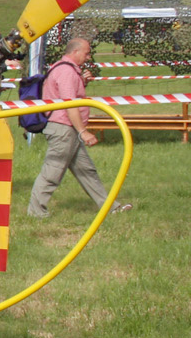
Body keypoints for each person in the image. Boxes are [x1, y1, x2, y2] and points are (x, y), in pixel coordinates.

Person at [28, 38, 130, 218]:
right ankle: (36, 213)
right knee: (53, 171)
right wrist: (83, 131)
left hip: (68, 129)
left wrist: (82, 81)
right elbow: (70, 105)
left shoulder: (67, 70)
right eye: (86, 53)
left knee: (87, 172)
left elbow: (69, 95)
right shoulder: (66, 72)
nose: (88, 57)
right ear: (75, 52)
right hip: (64, 130)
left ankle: (110, 207)